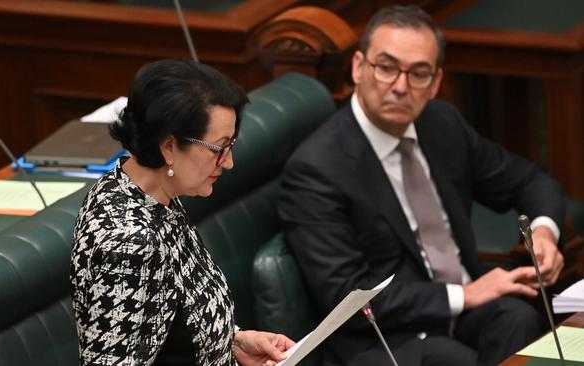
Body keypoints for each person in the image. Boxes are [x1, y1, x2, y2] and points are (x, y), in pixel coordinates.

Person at [278, 5, 565, 366]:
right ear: (358, 68)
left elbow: (530, 180)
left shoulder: (441, 123)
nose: (400, 86)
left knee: (519, 319)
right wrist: (464, 294)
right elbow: (347, 298)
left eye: (418, 73)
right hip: (386, 335)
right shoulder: (316, 168)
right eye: (386, 68)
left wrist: (543, 234)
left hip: (463, 309)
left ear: (435, 83)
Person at [71, 59, 294, 366]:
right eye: (218, 148)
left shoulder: (149, 193)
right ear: (170, 147)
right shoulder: (128, 241)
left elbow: (172, 324)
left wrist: (233, 341)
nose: (228, 162)